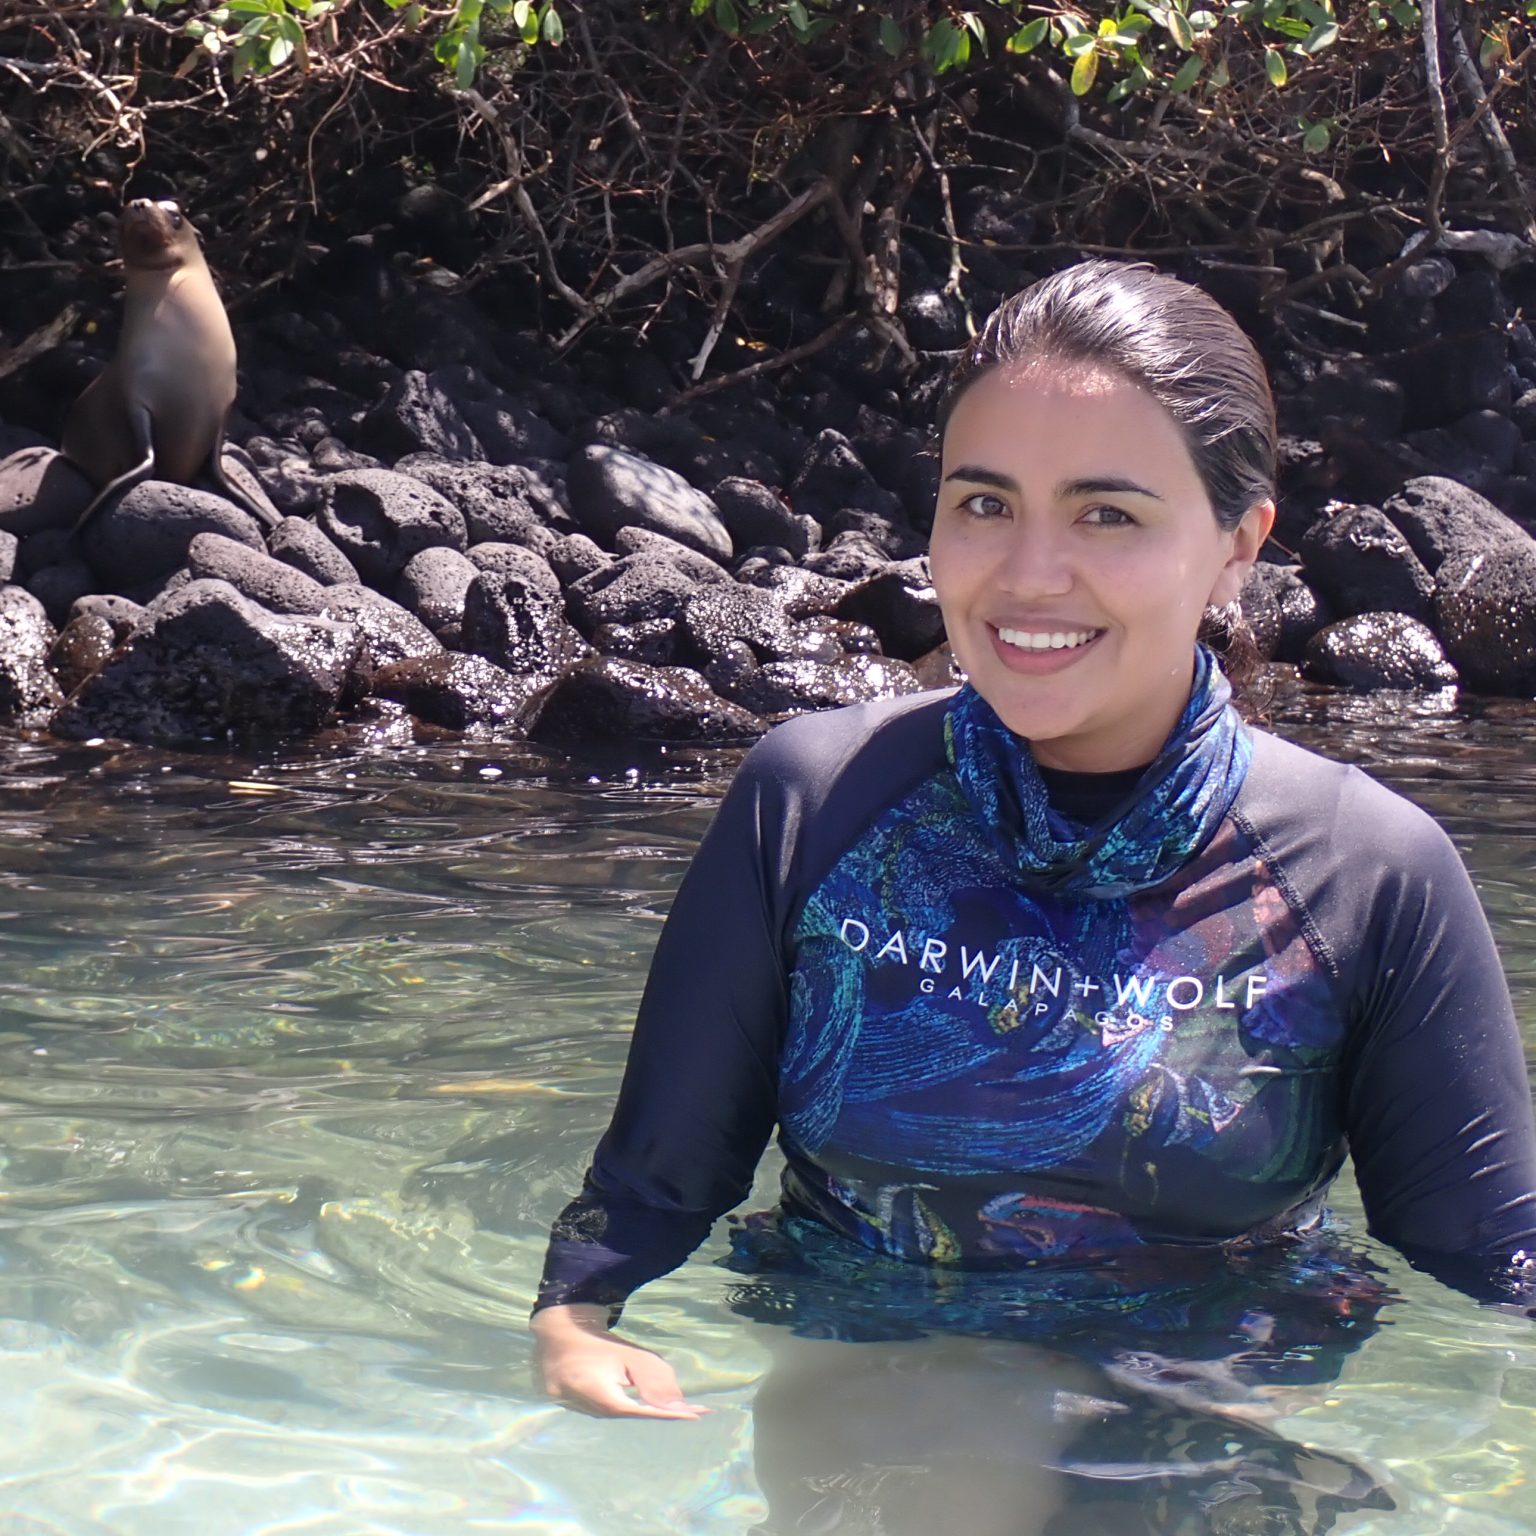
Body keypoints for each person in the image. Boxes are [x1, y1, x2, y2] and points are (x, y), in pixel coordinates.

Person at [529, 261, 1536, 1528]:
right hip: (880, 1423)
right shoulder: (814, 800)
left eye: (1107, 514)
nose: (1029, 575)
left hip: (1198, 1439)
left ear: (1239, 541)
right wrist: (574, 1321)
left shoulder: (1368, 869)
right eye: (985, 503)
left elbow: (1488, 1260)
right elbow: (657, 1178)